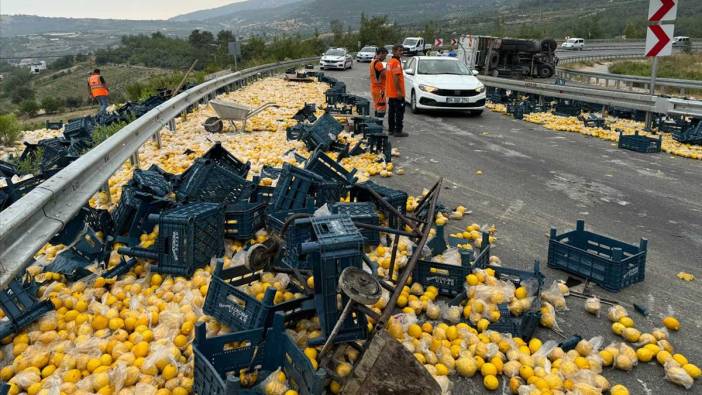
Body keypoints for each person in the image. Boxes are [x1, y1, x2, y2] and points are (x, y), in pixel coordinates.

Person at [385, 44, 408, 137]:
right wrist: (398, 91)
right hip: (396, 93)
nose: (401, 52)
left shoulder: (390, 62)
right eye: (399, 50)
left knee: (391, 112)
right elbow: (395, 77)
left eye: (402, 50)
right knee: (399, 113)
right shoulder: (396, 62)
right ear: (394, 51)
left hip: (390, 92)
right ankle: (398, 131)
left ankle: (391, 129)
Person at [369, 47, 388, 117]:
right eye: (385, 55)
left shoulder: (373, 62)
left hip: (375, 88)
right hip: (379, 89)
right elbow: (385, 74)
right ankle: (379, 125)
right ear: (380, 53)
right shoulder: (378, 63)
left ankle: (377, 124)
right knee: (381, 108)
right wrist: (388, 67)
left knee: (377, 107)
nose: (385, 58)